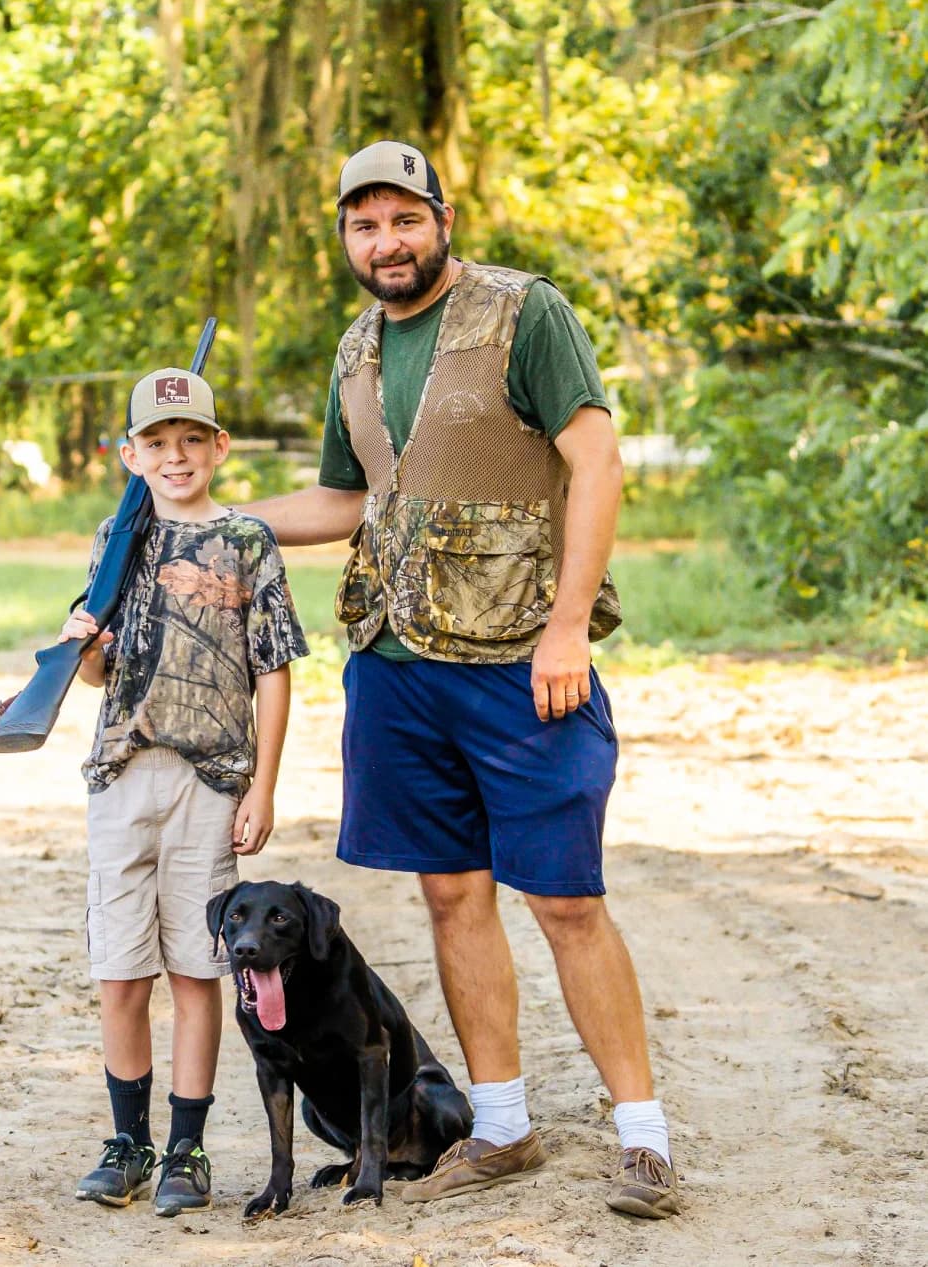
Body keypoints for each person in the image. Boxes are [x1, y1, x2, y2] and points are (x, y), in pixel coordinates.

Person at [246, 140, 678, 1219]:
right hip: (395, 666)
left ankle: (644, 1140)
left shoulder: (524, 313)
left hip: (521, 663)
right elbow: (348, 499)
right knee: (449, 894)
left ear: (441, 218)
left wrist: (568, 626)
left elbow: (595, 458)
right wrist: (218, 520)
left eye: (404, 218)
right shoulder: (355, 346)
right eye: (364, 224)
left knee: (566, 900)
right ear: (345, 238)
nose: (386, 241)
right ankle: (501, 1125)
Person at [64, 366, 308, 1217]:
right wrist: (81, 645)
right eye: (157, 442)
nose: (176, 456)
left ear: (219, 447)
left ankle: (185, 1149)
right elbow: (96, 672)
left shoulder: (247, 541)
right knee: (120, 972)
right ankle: (127, 1143)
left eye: (192, 439)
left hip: (211, 782)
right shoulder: (116, 536)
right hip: (122, 777)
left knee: (198, 971)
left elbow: (273, 670)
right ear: (130, 454)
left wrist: (263, 786)